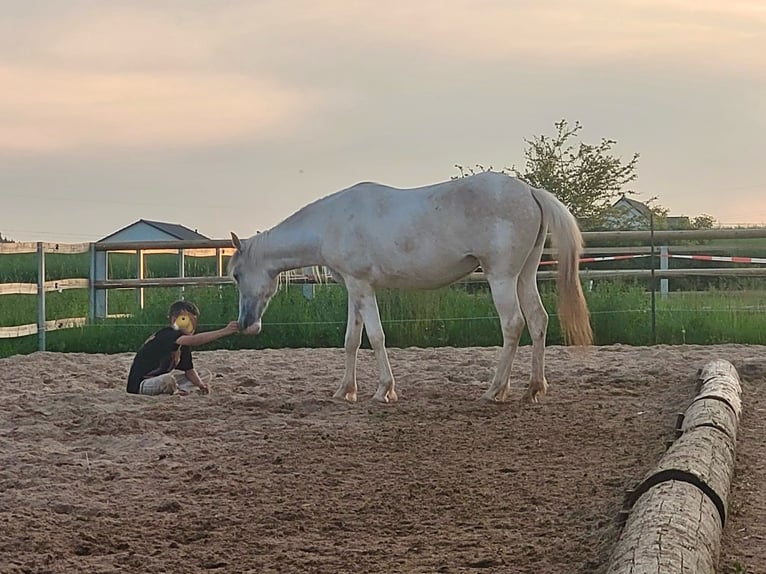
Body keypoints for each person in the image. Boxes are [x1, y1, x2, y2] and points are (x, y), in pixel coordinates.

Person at [126, 300, 240, 395]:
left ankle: (180, 390)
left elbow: (189, 370)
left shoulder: (182, 342)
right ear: (174, 320)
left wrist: (201, 385)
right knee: (167, 380)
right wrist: (225, 331)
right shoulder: (168, 334)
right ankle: (179, 390)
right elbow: (195, 340)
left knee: (204, 374)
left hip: (161, 378)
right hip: (143, 383)